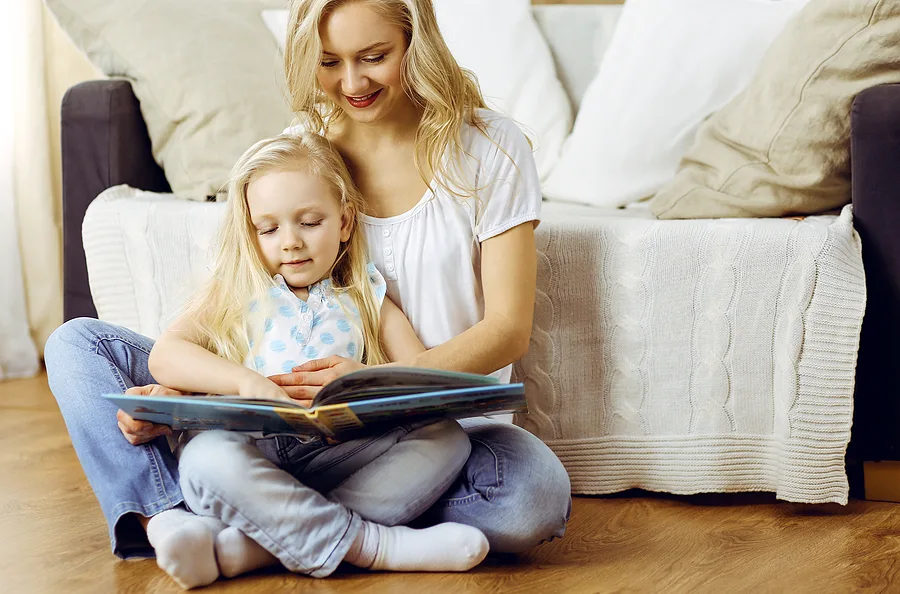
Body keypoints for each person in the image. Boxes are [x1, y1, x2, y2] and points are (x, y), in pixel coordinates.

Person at [44, 0, 569, 585]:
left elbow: (507, 329)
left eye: (375, 57)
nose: (351, 83)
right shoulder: (302, 151)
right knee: (78, 346)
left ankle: (256, 533)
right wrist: (194, 392)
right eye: (328, 62)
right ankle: (169, 519)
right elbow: (233, 298)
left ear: (415, 42)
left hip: (411, 424)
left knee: (532, 498)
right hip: (273, 405)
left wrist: (383, 385)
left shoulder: (488, 148)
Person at [142, 132, 489, 588]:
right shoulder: (239, 291)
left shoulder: (367, 293)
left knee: (447, 438)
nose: (290, 242)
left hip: (340, 451)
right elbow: (165, 355)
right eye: (268, 229)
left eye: (309, 222)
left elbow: (420, 374)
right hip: (255, 450)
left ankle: (254, 546)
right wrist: (246, 383)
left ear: (345, 222)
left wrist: (367, 379)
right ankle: (376, 546)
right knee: (204, 458)